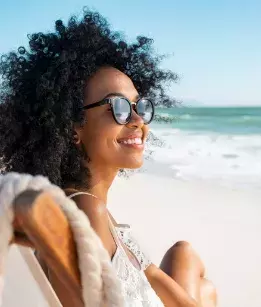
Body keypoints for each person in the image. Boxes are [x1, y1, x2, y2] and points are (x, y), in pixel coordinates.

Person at [0, 9, 216, 307]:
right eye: (118, 107)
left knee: (185, 256)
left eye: (141, 106)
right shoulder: (86, 210)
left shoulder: (95, 210)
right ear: (73, 127)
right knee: (202, 285)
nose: (138, 119)